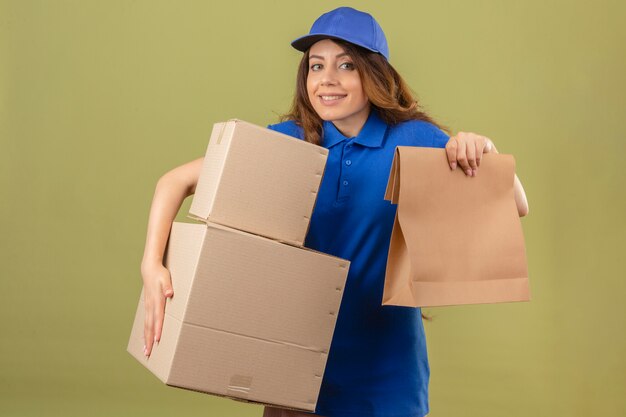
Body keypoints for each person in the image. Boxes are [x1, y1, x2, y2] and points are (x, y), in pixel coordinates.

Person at [139, 6, 529, 417]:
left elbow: (516, 205)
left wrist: (484, 152)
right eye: (315, 66)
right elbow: (174, 182)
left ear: (374, 74)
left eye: (346, 65)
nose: (326, 79)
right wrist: (152, 266)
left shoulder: (415, 139)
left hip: (386, 365)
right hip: (294, 359)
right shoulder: (287, 142)